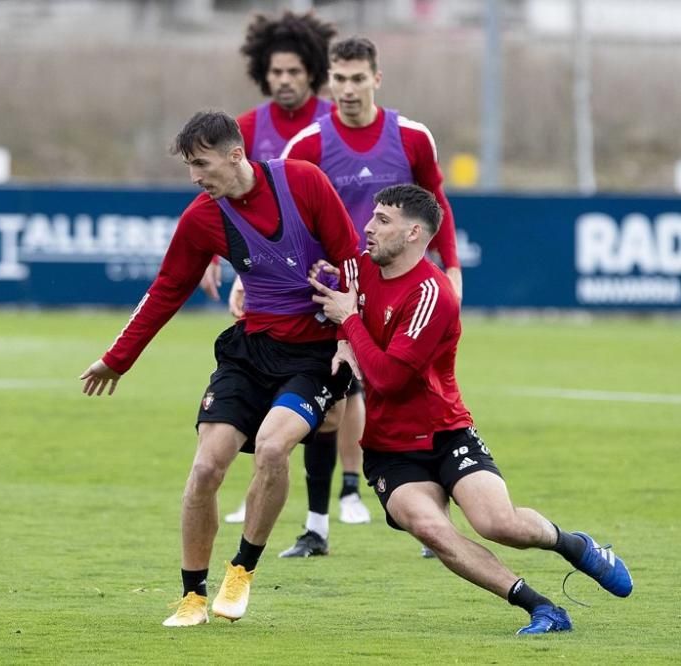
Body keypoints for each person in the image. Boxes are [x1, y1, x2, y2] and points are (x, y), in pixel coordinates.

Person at [309, 183, 632, 634]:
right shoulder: (357, 270)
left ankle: (575, 546)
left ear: (414, 234)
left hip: (444, 432)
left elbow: (388, 378)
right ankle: (542, 608)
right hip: (387, 448)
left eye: (383, 220)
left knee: (500, 524)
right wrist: (336, 327)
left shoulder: (432, 294)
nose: (368, 226)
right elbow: (321, 283)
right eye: (372, 216)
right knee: (431, 529)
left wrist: (349, 322)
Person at [80, 111, 360, 627]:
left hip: (312, 356)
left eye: (201, 164)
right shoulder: (201, 218)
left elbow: (350, 258)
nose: (194, 177)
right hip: (248, 351)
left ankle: (242, 570)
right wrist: (117, 359)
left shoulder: (302, 181)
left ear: (236, 155)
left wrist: (348, 339)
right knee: (207, 466)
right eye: (189, 166)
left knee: (274, 448)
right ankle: (191, 597)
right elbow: (166, 290)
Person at [274, 36, 468, 557]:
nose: (348, 88)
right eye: (339, 78)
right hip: (337, 292)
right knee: (331, 405)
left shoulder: (411, 137)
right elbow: (282, 220)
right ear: (328, 82)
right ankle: (317, 526)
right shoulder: (309, 145)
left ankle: (433, 521)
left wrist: (450, 266)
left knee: (421, 395)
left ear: (376, 79)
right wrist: (256, 280)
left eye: (358, 78)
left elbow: (436, 204)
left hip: (404, 294)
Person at [200, 9, 335, 302]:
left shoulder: (336, 121)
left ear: (311, 72)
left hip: (330, 259)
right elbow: (217, 188)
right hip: (272, 266)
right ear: (264, 74)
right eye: (276, 72)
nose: (284, 80)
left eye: (294, 72)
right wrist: (209, 255)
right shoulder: (244, 128)